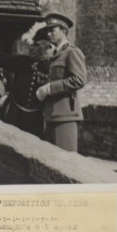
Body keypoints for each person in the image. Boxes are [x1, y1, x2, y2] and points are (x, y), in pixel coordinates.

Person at [34, 13, 87, 152]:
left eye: (53, 30)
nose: (49, 33)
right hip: (51, 114)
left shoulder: (72, 52)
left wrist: (49, 88)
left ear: (64, 30)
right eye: (48, 30)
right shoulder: (53, 55)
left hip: (65, 115)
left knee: (66, 163)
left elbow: (79, 80)